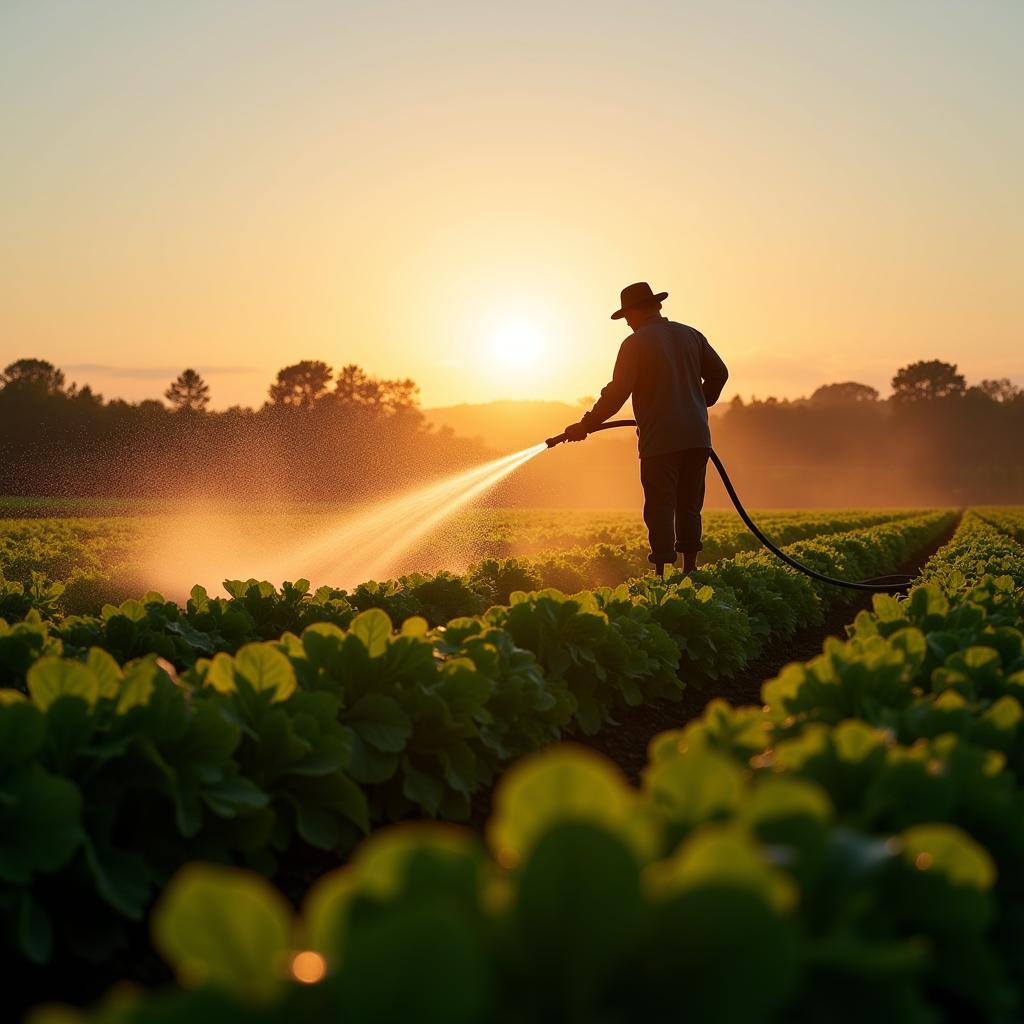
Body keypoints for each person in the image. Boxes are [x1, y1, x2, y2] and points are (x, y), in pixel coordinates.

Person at [563, 281, 729, 577]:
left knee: (660, 506)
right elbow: (720, 373)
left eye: (626, 315)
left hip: (660, 441)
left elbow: (617, 393)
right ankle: (690, 570)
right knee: (690, 505)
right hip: (697, 438)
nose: (626, 322)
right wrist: (699, 402)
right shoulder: (691, 335)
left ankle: (661, 575)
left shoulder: (635, 343)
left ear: (636, 312)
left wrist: (586, 424)